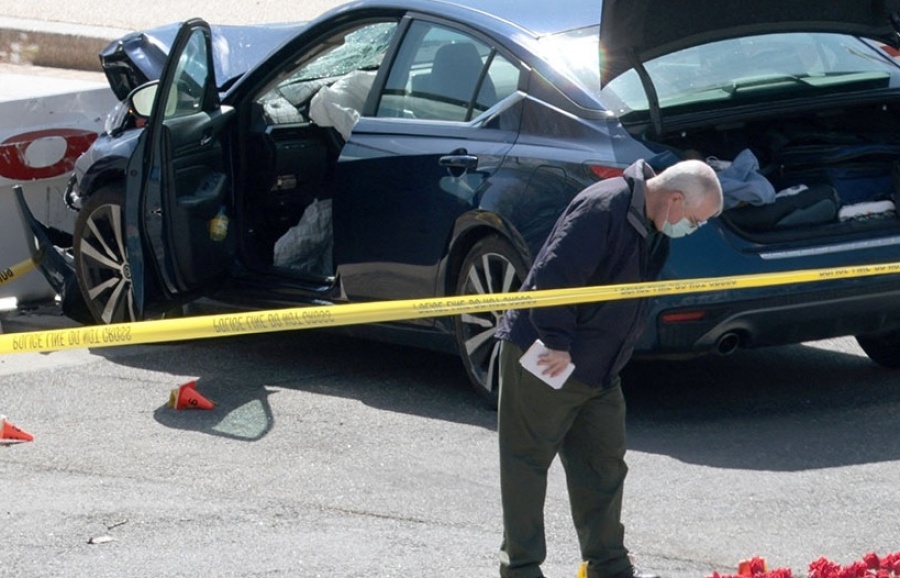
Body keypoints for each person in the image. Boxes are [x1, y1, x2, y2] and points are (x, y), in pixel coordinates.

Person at [494, 158, 723, 578]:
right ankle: (521, 569)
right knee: (526, 464)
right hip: (548, 355)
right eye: (695, 220)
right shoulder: (604, 207)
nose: (694, 228)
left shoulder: (652, 224)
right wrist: (557, 341)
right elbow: (554, 276)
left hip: (599, 369)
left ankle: (609, 567)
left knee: (603, 467)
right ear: (674, 199)